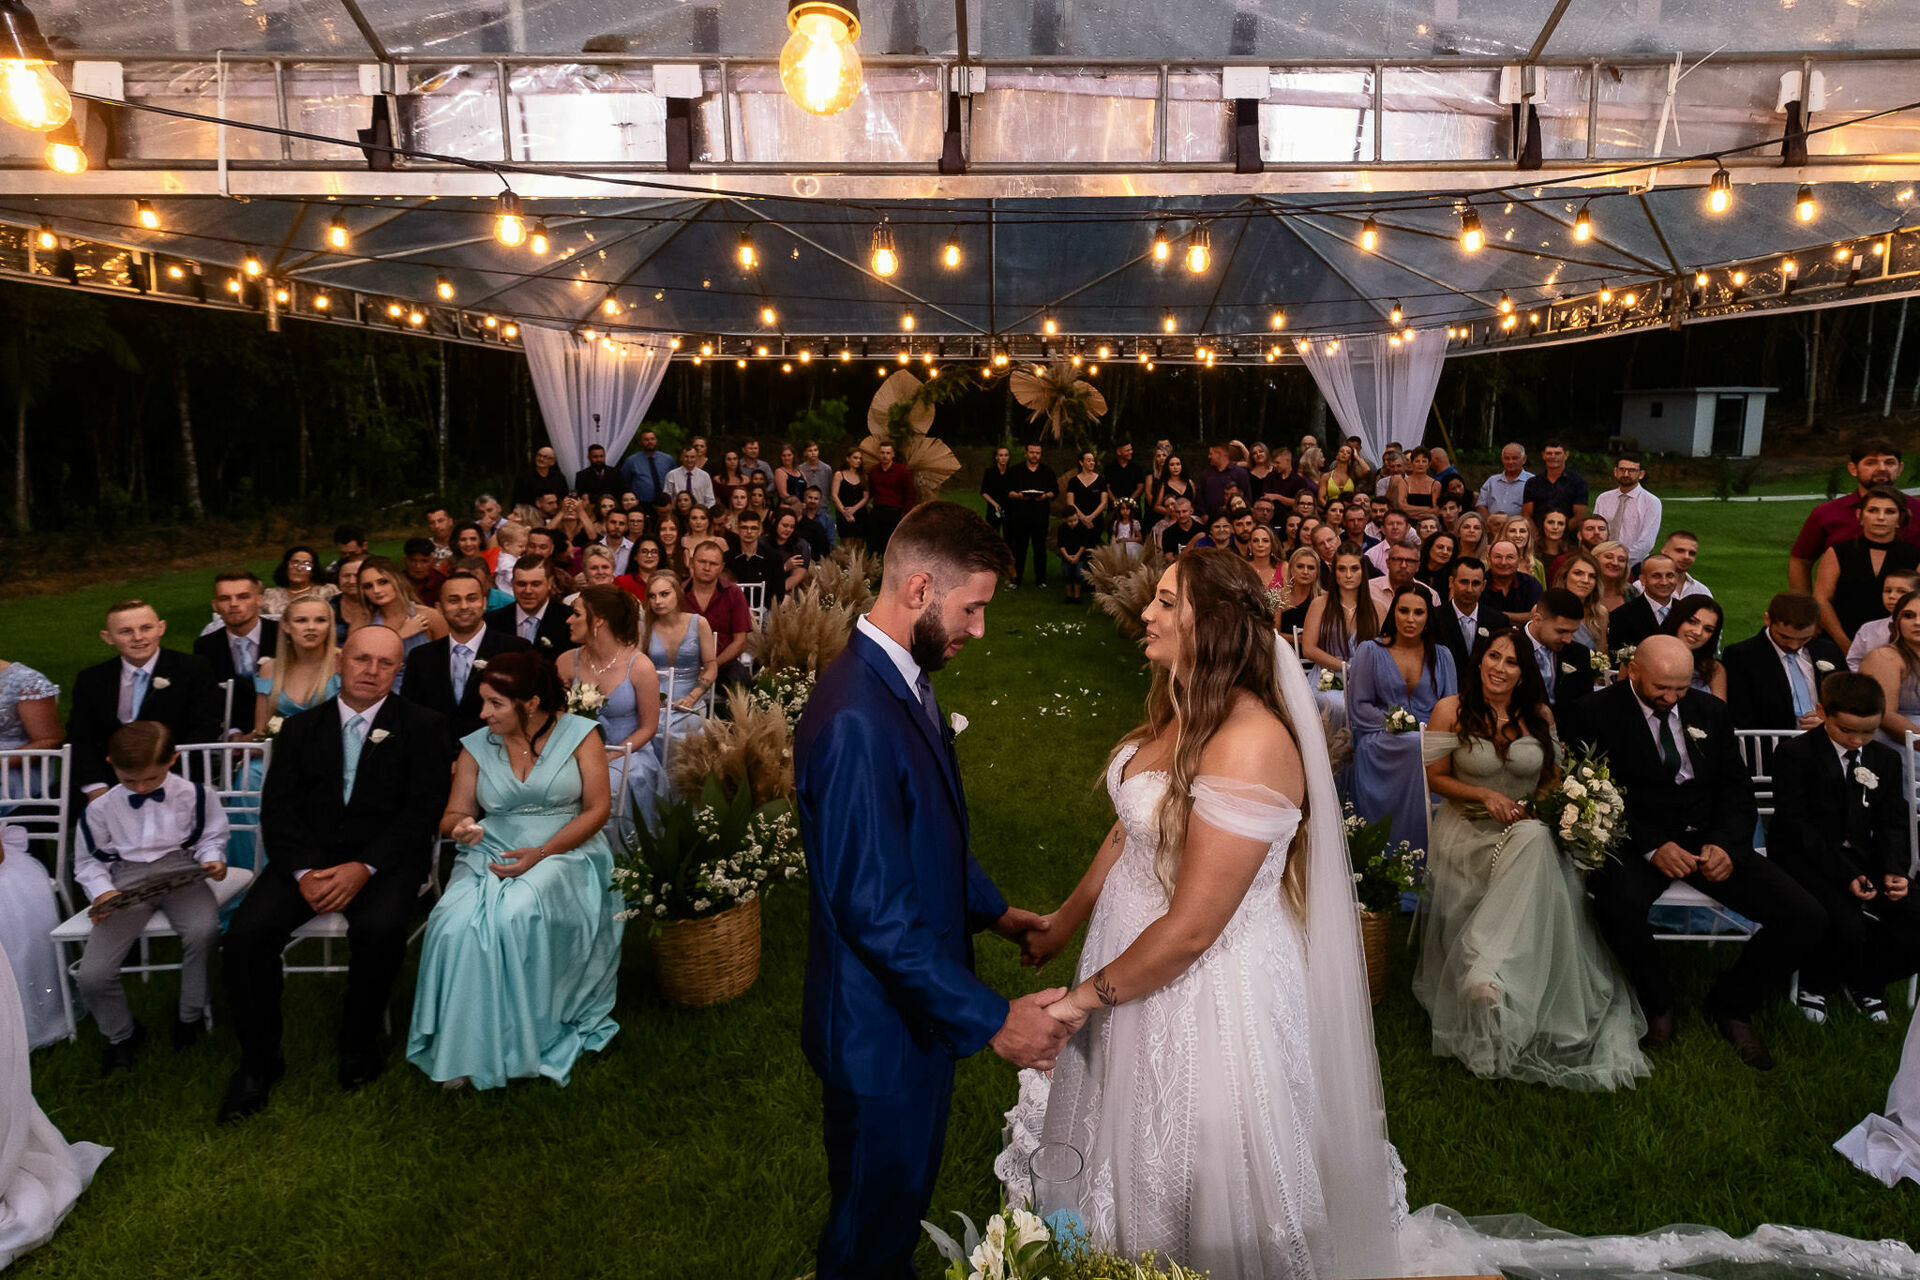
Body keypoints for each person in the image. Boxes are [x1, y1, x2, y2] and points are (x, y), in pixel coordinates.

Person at [1006, 547, 1399, 1280]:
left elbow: (1191, 930)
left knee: (1197, 1150)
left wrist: (1076, 1004)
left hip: (1206, 986)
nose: (1145, 614)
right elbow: (1134, 823)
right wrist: (1067, 916)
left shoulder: (1250, 744)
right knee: (1115, 1130)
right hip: (1131, 949)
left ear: (1212, 624)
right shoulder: (1181, 705)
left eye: (1163, 602)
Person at [794, 502, 1064, 1280]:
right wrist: (994, 1021)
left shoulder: (903, 677)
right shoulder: (855, 718)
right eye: (972, 607)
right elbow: (872, 913)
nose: (979, 629)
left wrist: (994, 911)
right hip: (880, 1033)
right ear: (919, 588)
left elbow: (925, 835)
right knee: (867, 1228)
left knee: (897, 1204)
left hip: (913, 1014)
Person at [219, 627, 452, 1122]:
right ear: (341, 661)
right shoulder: (301, 728)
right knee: (246, 935)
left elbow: (422, 810)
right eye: (362, 659)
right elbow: (278, 810)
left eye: (385, 663)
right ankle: (259, 1061)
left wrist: (364, 867)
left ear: (398, 670)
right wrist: (304, 871)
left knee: (381, 929)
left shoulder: (423, 725)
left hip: (382, 860)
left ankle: (358, 1042)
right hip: (305, 860)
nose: (371, 670)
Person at [1562, 636, 1826, 1071]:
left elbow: (1736, 787)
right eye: (1661, 689)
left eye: (1681, 689)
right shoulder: (1593, 713)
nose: (1671, 699)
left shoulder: (1711, 712)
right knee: (1616, 906)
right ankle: (1658, 1002)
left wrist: (1725, 843)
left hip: (1708, 837)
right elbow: (1591, 793)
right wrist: (1650, 846)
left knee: (1804, 916)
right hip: (1637, 838)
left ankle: (1732, 1003)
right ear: (1634, 672)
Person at [1417, 630, 1650, 1090]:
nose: (1498, 667)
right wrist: (1484, 793)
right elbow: (1435, 779)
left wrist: (1543, 807)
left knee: (1535, 839)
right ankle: (1492, 973)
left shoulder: (1539, 715)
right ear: (1479, 661)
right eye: (1492, 657)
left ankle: (1483, 973)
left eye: (1510, 662)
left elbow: (1550, 778)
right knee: (1536, 846)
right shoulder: (1450, 709)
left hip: (1529, 830)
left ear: (1525, 672)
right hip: (1469, 832)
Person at [406, 649, 622, 1091]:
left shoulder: (582, 735)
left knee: (515, 913)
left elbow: (598, 810)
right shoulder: (475, 746)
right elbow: (453, 813)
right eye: (483, 702)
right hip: (493, 848)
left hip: (567, 849)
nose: (483, 713)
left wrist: (541, 853)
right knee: (451, 922)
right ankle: (462, 1046)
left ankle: (521, 1039)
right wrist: (461, 827)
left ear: (532, 703)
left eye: (495, 704)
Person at [73, 722, 230, 1072]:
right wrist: (103, 892)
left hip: (181, 872)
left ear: (173, 760)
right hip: (125, 879)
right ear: (111, 763)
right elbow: (87, 861)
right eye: (130, 781)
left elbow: (211, 836)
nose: (141, 787)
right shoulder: (100, 809)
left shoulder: (198, 795)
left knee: (203, 932)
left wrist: (211, 859)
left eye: (151, 780)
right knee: (93, 974)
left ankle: (190, 1015)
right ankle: (122, 1034)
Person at [1769, 672, 1920, 1027]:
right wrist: (1848, 874)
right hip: (1805, 858)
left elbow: (1892, 821)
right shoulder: (1796, 754)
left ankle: (1867, 979)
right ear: (1822, 712)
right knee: (1845, 922)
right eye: (1847, 731)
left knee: (1914, 913)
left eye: (1868, 731)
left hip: (1862, 856)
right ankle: (1816, 981)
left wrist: (1894, 869)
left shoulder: (1884, 758)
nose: (1857, 740)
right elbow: (1795, 825)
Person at [65, 600, 221, 802]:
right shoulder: (92, 679)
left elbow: (206, 726)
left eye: (146, 628)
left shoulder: (192, 668)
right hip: (110, 776)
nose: (138, 638)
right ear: (108, 637)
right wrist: (95, 787)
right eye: (126, 631)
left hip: (174, 773)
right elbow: (80, 736)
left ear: (161, 628)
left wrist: (162, 775)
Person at [1349, 583, 1457, 860]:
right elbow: (1358, 707)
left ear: (1428, 617)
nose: (1411, 619)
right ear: (1393, 613)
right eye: (1404, 611)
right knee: (1413, 745)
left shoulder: (1443, 656)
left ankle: (1422, 857)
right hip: (1379, 737)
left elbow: (1452, 707)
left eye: (1419, 612)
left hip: (1430, 738)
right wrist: (1396, 723)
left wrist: (1427, 731)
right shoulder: (1369, 651)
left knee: (1424, 747)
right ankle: (1383, 853)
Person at [558, 587, 663, 835]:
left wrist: (608, 758)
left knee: (605, 785)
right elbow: (557, 718)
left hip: (628, 754)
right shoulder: (565, 662)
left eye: (576, 614)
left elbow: (648, 728)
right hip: (575, 752)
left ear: (599, 620)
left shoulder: (640, 667)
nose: (568, 620)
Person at [401, 570, 532, 750]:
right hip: (437, 759)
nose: (464, 606)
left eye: (471, 599)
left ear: (484, 603)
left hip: (499, 755)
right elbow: (411, 715)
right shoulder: (421, 657)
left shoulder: (516, 650)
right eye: (454, 600)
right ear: (439, 608)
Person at [1788, 436, 1920, 594]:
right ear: (1853, 469)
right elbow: (1800, 560)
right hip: (1839, 610)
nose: (1882, 468)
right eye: (1871, 463)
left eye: (1890, 463)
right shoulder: (1826, 513)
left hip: (1903, 611)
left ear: (1900, 469)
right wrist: (1805, 609)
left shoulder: (1918, 510)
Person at [1814, 484, 1920, 649]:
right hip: (1839, 640)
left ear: (1900, 519)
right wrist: (1844, 644)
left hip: (1897, 644)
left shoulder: (1914, 557)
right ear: (1860, 515)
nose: (1881, 517)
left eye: (1890, 512)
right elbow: (1822, 600)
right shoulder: (1838, 553)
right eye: (1873, 510)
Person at [1722, 592, 1845, 732]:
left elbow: (1847, 700)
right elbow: (1740, 714)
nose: (1793, 645)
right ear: (1767, 620)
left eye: (1804, 639)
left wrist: (1828, 723)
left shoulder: (1829, 651)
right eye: (1785, 637)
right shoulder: (1741, 656)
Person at [193, 572, 279, 739]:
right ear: (215, 605)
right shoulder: (205, 646)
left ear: (260, 600)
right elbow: (208, 699)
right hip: (229, 732)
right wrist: (233, 733)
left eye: (243, 597)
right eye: (225, 598)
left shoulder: (283, 636)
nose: (233, 604)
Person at [353, 555, 447, 683]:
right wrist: (399, 635)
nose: (376, 590)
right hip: (380, 690)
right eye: (368, 586)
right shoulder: (363, 622)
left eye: (383, 582)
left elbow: (447, 662)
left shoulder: (430, 616)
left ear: (397, 580)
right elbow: (357, 664)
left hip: (425, 690)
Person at [684, 541, 752, 689]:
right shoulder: (678, 593)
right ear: (691, 562)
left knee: (741, 680)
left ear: (721, 567)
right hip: (683, 664)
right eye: (702, 561)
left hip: (722, 662)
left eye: (713, 564)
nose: (707, 568)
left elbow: (740, 642)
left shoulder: (734, 594)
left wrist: (712, 665)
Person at [1518, 589, 1597, 717]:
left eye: (1573, 632)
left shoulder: (1579, 653)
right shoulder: (1508, 648)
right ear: (1537, 620)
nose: (1568, 639)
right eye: (1561, 631)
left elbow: (1584, 705)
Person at [1861, 589, 1920, 749]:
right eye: (1908, 615)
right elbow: (1885, 715)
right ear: (1897, 622)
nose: (1917, 622)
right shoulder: (1884, 657)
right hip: (1900, 744)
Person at [484, 556, 576, 656]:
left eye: (535, 584)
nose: (528, 591)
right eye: (521, 584)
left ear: (550, 583)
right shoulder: (492, 622)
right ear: (513, 584)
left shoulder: (570, 620)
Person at [1592, 454, 1661, 569]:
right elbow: (1596, 531)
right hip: (1602, 562)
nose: (1626, 474)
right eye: (1622, 469)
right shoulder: (1603, 498)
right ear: (1615, 471)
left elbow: (1646, 542)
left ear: (1641, 474)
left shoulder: (1651, 502)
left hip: (1634, 564)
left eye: (1632, 470)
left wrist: (1621, 562)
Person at [1005, 443, 1058, 588]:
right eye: (1032, 452)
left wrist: (1045, 495)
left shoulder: (1047, 471)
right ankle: (1016, 579)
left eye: (1038, 453)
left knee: (1040, 549)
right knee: (1019, 550)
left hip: (1040, 516)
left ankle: (1041, 580)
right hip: (1020, 516)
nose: (1035, 455)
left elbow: (1055, 492)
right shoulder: (1015, 471)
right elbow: (1008, 492)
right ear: (1026, 453)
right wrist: (1019, 496)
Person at [1656, 595, 1728, 700]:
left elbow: (1719, 712)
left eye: (1708, 629)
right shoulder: (1644, 655)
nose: (1698, 632)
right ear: (1677, 619)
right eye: (1692, 622)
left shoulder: (1713, 669)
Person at [1847, 568, 1920, 671]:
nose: (1892, 596)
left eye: (1901, 591)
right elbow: (1854, 661)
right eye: (1887, 591)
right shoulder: (1869, 629)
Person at [1607, 553, 1683, 651]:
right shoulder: (1622, 615)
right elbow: (1618, 658)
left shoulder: (1686, 611)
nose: (1664, 582)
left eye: (1669, 575)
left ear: (1676, 578)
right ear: (1643, 580)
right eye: (1656, 576)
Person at [1434, 557, 1497, 672]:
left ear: (1483, 585)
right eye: (1464, 582)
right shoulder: (1434, 618)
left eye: (1476, 583)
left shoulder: (1497, 621)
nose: (1469, 589)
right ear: (1451, 582)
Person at [1552, 550, 1610, 656]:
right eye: (1578, 573)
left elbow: (1602, 656)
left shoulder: (1600, 613)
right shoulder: (1547, 609)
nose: (1586, 580)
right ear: (1565, 576)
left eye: (1592, 576)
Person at [1520, 440, 1589, 526]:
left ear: (1566, 455)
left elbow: (1580, 516)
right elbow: (1526, 515)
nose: (1553, 457)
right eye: (1549, 453)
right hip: (1537, 536)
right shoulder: (1532, 483)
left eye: (1557, 453)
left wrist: (1559, 534)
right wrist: (1536, 536)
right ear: (1543, 455)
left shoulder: (1578, 483)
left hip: (1567, 536)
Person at [866, 441, 918, 554]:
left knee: (892, 546)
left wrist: (904, 514)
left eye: (888, 453)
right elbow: (869, 492)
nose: (885, 455)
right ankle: (873, 566)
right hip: (878, 510)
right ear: (878, 454)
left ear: (893, 454)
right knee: (873, 544)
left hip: (895, 512)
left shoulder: (902, 471)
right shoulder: (874, 471)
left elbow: (910, 494)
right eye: (882, 453)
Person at [1481, 540, 1543, 627]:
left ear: (1519, 561)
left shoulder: (1530, 583)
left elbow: (1538, 617)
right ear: (1488, 560)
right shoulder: (1479, 582)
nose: (1503, 562)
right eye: (1498, 557)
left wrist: (1494, 614)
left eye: (1510, 557)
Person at [1367, 540, 1440, 613]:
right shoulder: (1368, 589)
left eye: (1410, 561)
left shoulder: (1431, 595)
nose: (1403, 565)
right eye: (1398, 559)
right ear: (1388, 563)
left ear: (1418, 566)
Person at [263, 546, 338, 617]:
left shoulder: (327, 592)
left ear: (313, 570)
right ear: (286, 566)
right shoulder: (270, 595)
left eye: (306, 564)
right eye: (295, 563)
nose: (299, 568)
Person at [1476, 443, 1533, 520]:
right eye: (1507, 458)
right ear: (1502, 459)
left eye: (1515, 458)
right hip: (1492, 527)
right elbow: (1481, 505)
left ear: (1524, 459)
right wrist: (1490, 524)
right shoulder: (1492, 481)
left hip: (1519, 528)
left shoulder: (1532, 481)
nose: (1510, 462)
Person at [1196, 441, 1254, 516]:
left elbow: (1247, 497)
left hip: (1235, 517)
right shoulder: (1206, 474)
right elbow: (1199, 496)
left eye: (1211, 454)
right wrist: (1203, 514)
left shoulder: (1240, 473)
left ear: (1220, 454)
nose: (1209, 457)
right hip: (1211, 519)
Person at [1064, 449, 1109, 544]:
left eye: (1093, 460)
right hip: (1077, 520)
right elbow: (1070, 502)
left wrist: (1091, 517)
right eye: (1088, 460)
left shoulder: (1101, 480)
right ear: (1081, 462)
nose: (1092, 463)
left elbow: (1104, 502)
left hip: (1096, 520)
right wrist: (1084, 518)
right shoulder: (1073, 481)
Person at [618, 428, 670, 507]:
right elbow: (625, 482)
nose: (650, 442)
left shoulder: (667, 459)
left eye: (652, 439)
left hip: (664, 503)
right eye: (646, 439)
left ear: (656, 441)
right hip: (642, 503)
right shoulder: (631, 461)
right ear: (640, 442)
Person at [832, 446, 869, 543]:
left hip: (860, 513)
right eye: (855, 458)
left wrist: (855, 508)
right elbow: (834, 495)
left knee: (860, 546)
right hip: (844, 512)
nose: (858, 461)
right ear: (848, 459)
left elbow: (866, 496)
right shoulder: (839, 474)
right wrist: (845, 513)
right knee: (847, 545)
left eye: (860, 458)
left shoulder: (863, 476)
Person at [978, 444, 1012, 536]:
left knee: (1009, 536)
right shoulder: (989, 472)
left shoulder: (1012, 472)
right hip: (993, 509)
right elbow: (983, 491)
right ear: (996, 457)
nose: (1003, 458)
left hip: (1009, 509)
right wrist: (995, 504)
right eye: (1001, 455)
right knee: (992, 535)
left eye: (1006, 455)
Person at [1102, 441, 1146, 509]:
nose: (1130, 452)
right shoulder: (1109, 467)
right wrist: (1116, 502)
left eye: (1131, 449)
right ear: (1118, 452)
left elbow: (1140, 486)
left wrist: (1129, 502)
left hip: (1133, 506)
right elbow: (1107, 487)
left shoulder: (1137, 466)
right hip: (1115, 506)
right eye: (1127, 450)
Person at [1155, 452, 1195, 518]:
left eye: (1178, 464)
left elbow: (1193, 501)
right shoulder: (1163, 484)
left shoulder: (1190, 482)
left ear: (1182, 465)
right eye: (1172, 465)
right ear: (1167, 467)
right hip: (1171, 520)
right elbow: (1157, 507)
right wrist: (1172, 513)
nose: (1175, 467)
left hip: (1189, 519)